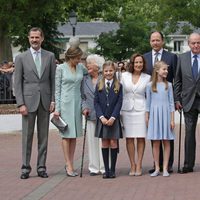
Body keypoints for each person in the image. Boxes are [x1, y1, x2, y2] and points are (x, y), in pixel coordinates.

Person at [14, 27, 56, 179]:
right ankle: (25, 168)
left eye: (37, 37)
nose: (34, 40)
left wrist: (53, 100)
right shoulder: (21, 58)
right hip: (28, 102)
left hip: (45, 102)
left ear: (42, 38)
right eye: (32, 37)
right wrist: (20, 104)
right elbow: (17, 82)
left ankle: (41, 167)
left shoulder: (50, 56)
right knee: (27, 137)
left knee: (43, 137)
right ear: (28, 38)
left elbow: (53, 80)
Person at [144, 31, 177, 173]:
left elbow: (176, 79)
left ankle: (167, 165)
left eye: (158, 40)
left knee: (167, 138)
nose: (155, 42)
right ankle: (156, 165)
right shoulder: (144, 58)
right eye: (153, 40)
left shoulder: (172, 57)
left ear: (162, 41)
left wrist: (177, 101)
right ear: (150, 42)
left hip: (166, 105)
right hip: (153, 104)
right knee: (156, 139)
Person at [53, 37, 87, 177]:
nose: (79, 60)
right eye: (77, 58)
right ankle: (68, 164)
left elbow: (90, 75)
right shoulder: (60, 68)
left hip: (77, 103)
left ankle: (71, 162)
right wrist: (57, 108)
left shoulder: (81, 68)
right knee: (66, 135)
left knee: (74, 136)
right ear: (71, 57)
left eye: (80, 58)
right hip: (65, 104)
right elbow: (57, 89)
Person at [174, 32, 200, 174]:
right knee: (189, 133)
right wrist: (177, 99)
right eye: (193, 43)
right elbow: (177, 81)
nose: (196, 45)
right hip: (188, 101)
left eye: (198, 43)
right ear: (188, 43)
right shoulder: (182, 58)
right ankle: (188, 164)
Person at [120, 53, 150, 176]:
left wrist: (148, 113)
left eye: (140, 62)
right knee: (130, 138)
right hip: (127, 110)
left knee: (141, 137)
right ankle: (132, 164)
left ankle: (139, 164)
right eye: (136, 62)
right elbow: (119, 93)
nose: (138, 64)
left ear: (143, 64)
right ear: (132, 63)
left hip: (141, 110)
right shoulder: (123, 76)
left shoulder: (147, 77)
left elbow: (149, 96)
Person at [146, 61, 175, 177]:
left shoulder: (169, 85)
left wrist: (172, 120)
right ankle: (157, 167)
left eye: (167, 69)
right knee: (156, 142)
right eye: (164, 69)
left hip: (166, 115)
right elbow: (148, 104)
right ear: (157, 70)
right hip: (154, 115)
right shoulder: (149, 86)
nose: (166, 71)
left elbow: (171, 103)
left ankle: (166, 168)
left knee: (167, 141)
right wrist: (147, 117)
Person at [94, 61, 123, 179]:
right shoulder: (99, 84)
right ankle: (106, 170)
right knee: (105, 142)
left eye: (111, 70)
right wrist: (101, 117)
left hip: (113, 119)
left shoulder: (118, 86)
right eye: (106, 71)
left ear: (114, 71)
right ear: (103, 72)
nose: (108, 73)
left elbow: (119, 102)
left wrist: (113, 117)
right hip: (103, 119)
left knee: (113, 142)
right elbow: (96, 102)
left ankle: (113, 169)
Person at [81, 54, 105, 176]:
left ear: (97, 66)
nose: (87, 65)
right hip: (90, 114)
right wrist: (84, 107)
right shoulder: (84, 79)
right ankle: (94, 167)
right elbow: (82, 97)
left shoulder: (105, 77)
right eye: (87, 63)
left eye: (90, 63)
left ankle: (104, 166)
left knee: (103, 141)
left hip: (104, 114)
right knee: (92, 141)